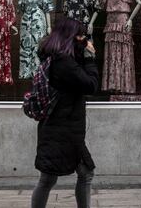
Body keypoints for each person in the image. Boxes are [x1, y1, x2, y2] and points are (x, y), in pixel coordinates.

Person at [31, 18, 99, 208]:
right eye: (80, 35)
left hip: (61, 128)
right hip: (63, 130)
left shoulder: (57, 58)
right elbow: (90, 85)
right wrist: (89, 58)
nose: (83, 39)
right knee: (51, 178)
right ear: (70, 36)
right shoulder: (63, 63)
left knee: (72, 175)